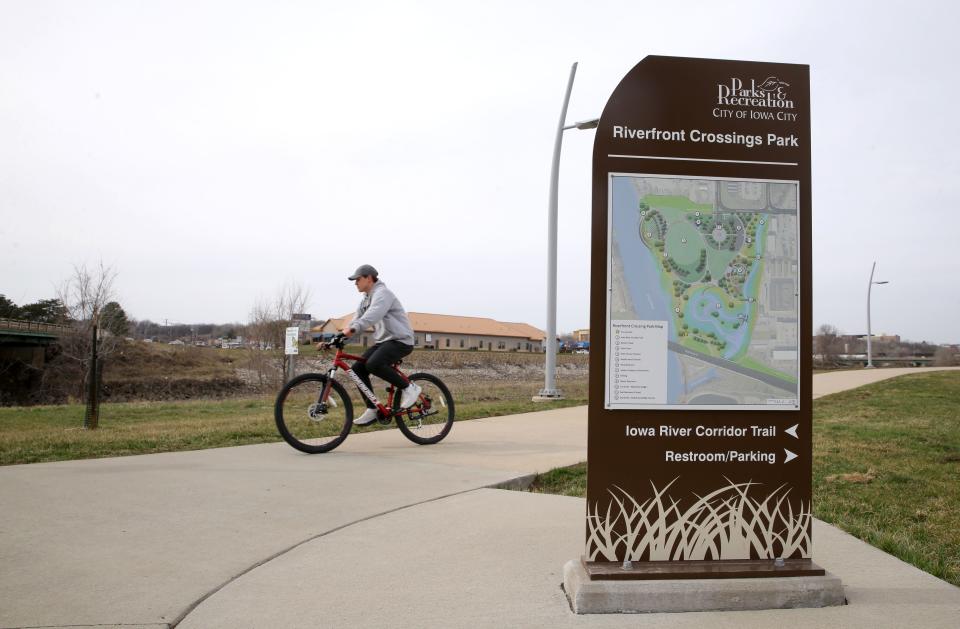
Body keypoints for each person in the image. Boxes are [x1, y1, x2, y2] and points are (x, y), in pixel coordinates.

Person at [338, 264, 420, 426]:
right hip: (384, 341)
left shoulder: (383, 294)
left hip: (401, 340)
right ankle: (373, 409)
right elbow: (356, 321)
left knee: (373, 364)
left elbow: (372, 315)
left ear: (369, 278)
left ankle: (410, 388)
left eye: (358, 279)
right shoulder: (365, 300)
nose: (355, 283)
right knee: (357, 369)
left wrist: (353, 328)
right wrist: (337, 339)